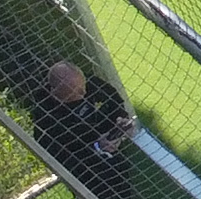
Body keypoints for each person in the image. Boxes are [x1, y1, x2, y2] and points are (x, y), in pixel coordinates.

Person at [31, 55, 138, 190]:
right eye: (76, 92)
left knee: (123, 183)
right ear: (56, 93)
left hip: (112, 152)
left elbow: (113, 98)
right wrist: (96, 148)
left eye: (82, 86)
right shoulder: (47, 121)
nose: (84, 91)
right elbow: (65, 160)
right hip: (87, 173)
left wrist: (120, 119)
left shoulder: (85, 83)